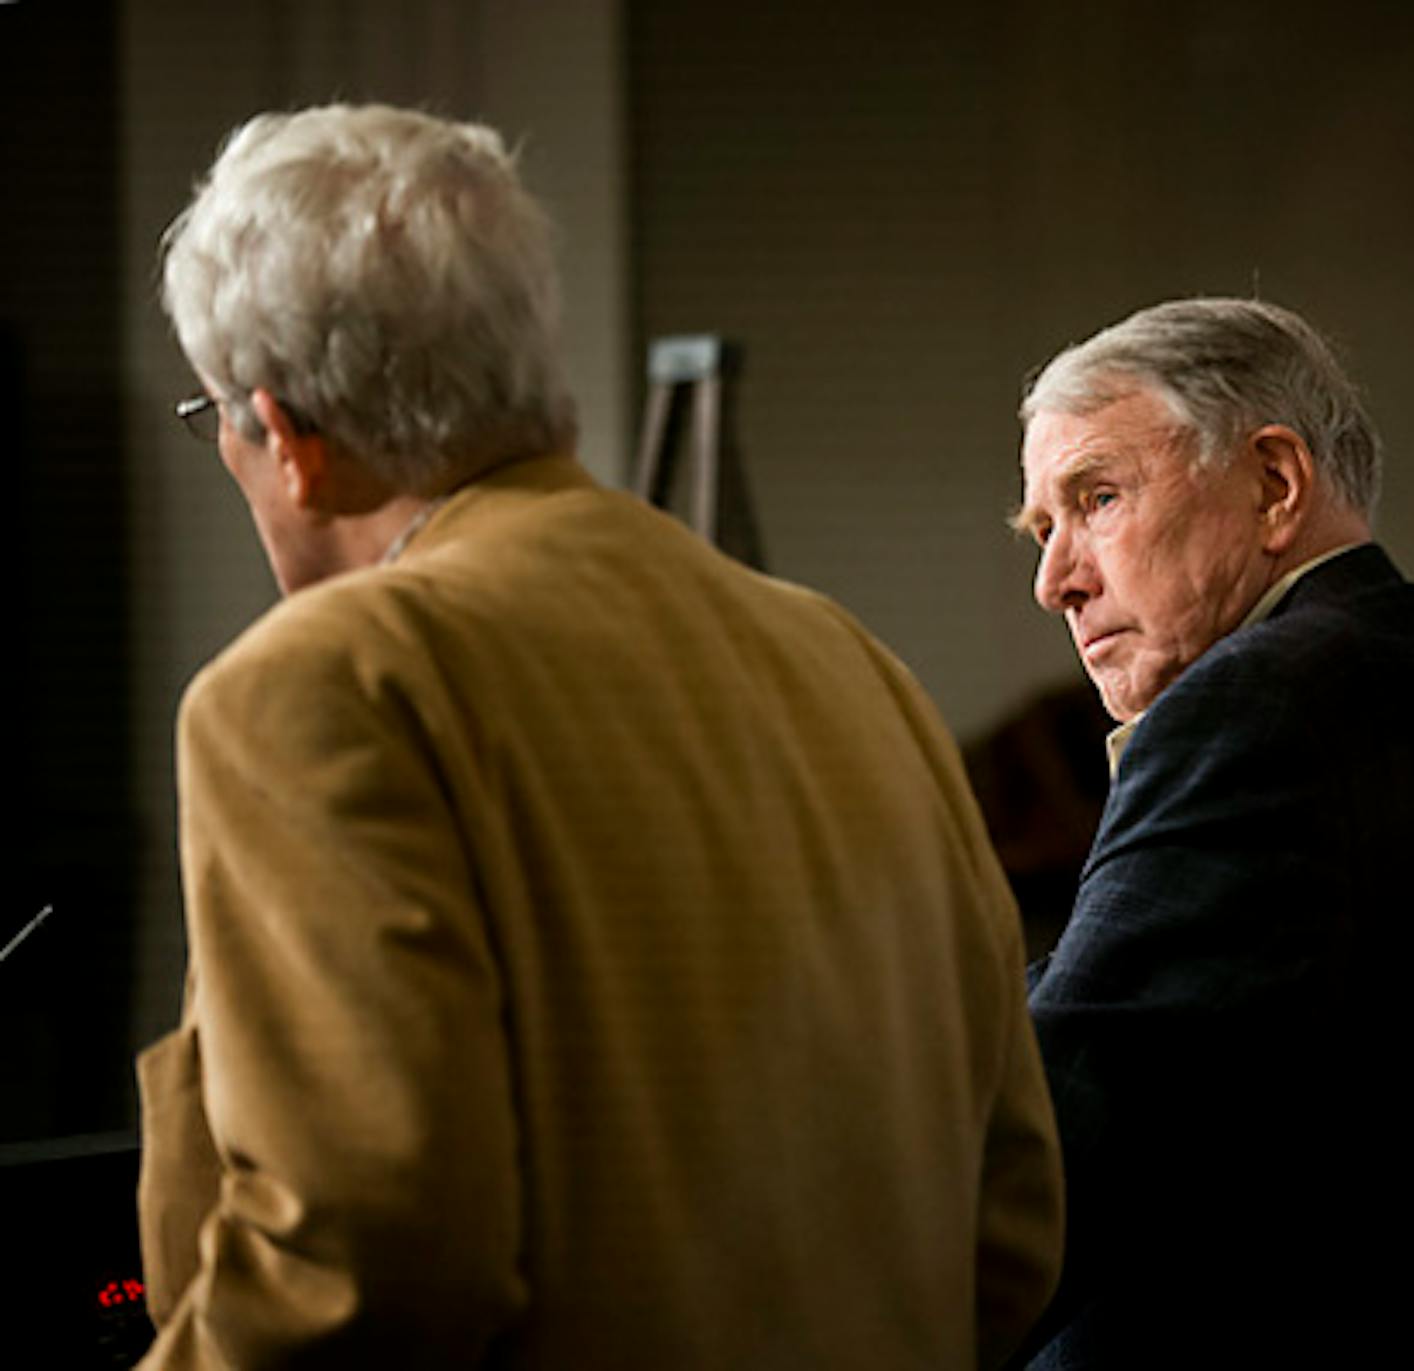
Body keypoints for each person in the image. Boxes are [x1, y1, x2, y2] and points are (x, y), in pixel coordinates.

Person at [138, 103, 1061, 1369]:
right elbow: (1009, 1226)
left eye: (218, 428)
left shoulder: (317, 687)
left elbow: (362, 1264)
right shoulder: (849, 661)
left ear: (285, 437)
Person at [1008, 297, 1414, 1366]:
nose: (1055, 580)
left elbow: (1052, 1162)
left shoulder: (1264, 710)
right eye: (1043, 530)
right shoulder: (1390, 671)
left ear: (1275, 485)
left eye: (1096, 499)